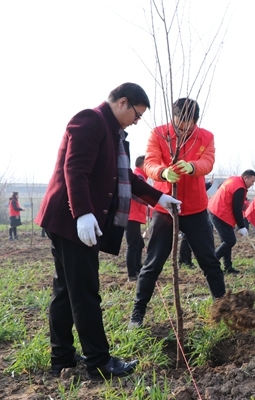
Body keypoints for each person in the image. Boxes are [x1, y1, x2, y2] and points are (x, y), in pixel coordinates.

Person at [35, 83, 181, 379]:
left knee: (65, 290)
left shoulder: (111, 132)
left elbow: (123, 177)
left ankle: (61, 356)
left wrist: (159, 197)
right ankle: (99, 362)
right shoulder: (90, 120)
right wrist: (83, 213)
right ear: (123, 103)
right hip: (70, 219)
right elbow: (74, 169)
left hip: (69, 219)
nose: (137, 121)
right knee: (85, 291)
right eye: (137, 115)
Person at [129, 98, 226, 329]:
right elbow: (150, 162)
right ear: (173, 118)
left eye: (189, 124)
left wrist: (192, 167)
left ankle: (223, 309)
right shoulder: (159, 134)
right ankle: (137, 314)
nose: (184, 129)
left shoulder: (206, 136)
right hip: (166, 208)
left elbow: (208, 161)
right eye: (180, 123)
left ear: (196, 121)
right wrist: (162, 173)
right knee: (152, 263)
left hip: (196, 209)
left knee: (209, 261)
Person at [207, 170, 255, 274]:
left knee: (226, 241)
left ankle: (228, 267)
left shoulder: (233, 179)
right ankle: (210, 263)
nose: (252, 184)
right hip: (220, 213)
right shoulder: (240, 188)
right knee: (230, 241)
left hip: (216, 209)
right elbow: (236, 209)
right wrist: (242, 226)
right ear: (246, 178)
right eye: (252, 181)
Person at [179, 178, 215, 268]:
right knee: (186, 238)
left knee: (186, 238)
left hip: (191, 209)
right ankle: (184, 261)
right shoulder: (191, 175)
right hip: (189, 210)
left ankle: (185, 260)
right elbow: (197, 190)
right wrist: (209, 184)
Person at [126, 156, 149, 282]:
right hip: (131, 216)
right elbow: (136, 194)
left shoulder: (140, 177)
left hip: (134, 215)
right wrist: (149, 202)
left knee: (139, 244)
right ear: (142, 164)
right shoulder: (138, 177)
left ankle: (138, 269)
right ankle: (132, 274)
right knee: (133, 245)